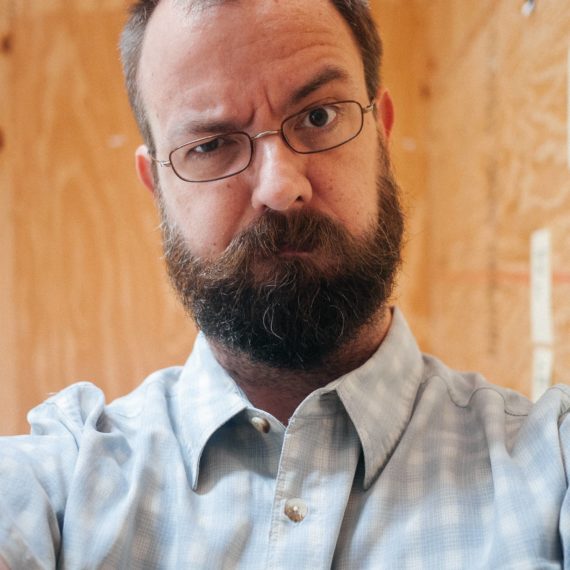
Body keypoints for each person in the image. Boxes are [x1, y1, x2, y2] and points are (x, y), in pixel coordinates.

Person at [1, 0, 569, 567]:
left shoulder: (551, 471)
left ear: (382, 135)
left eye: (319, 116)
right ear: (157, 188)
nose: (280, 187)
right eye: (210, 145)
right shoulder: (62, 487)